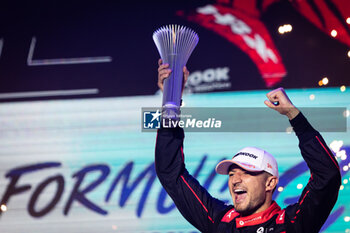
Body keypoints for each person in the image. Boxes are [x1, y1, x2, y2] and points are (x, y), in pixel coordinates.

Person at [155, 60, 341, 233]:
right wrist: (170, 102)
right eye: (231, 174)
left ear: (270, 182)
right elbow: (171, 172)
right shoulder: (219, 221)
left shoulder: (291, 224)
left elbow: (327, 175)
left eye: (246, 172)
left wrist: (294, 115)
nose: (235, 180)